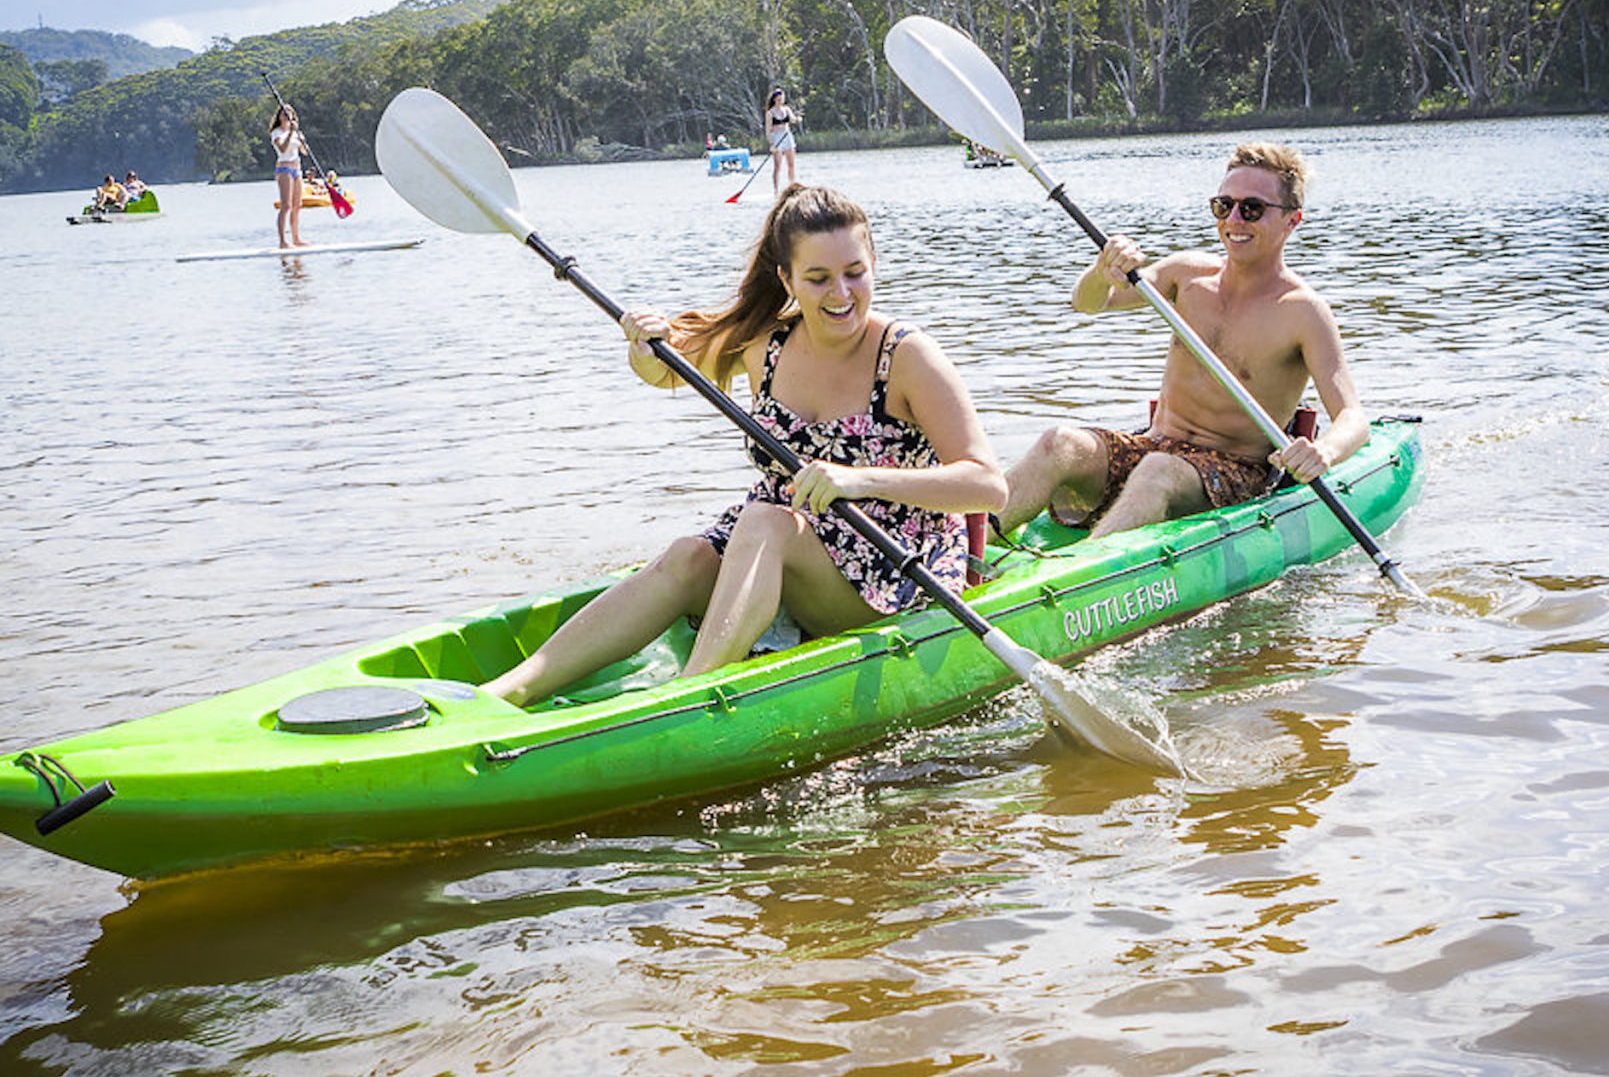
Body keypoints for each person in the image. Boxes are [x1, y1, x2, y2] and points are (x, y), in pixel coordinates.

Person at [483, 184, 1008, 706]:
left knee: (763, 522)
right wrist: (643, 347)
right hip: (784, 546)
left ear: (873, 263)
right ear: (787, 279)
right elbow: (666, 373)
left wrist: (858, 478)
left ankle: (688, 697)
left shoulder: (909, 356)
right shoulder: (765, 344)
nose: (841, 294)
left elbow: (987, 486)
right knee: (689, 556)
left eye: (854, 273)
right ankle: (514, 688)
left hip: (889, 572)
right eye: (818, 278)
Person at [997, 142, 1368, 539]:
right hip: (1156, 446)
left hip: (1236, 471)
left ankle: (1083, 577)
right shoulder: (1186, 274)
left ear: (1292, 220)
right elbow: (1089, 304)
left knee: (1158, 471)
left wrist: (1322, 452)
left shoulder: (1303, 311)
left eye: (1252, 208)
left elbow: (1353, 417)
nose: (1235, 220)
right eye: (1224, 206)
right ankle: (963, 548)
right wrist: (1102, 270)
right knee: (1061, 442)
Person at [271, 106, 311, 248]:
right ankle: (282, 241)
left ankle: (296, 239)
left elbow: (304, 152)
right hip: (284, 169)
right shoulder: (276, 133)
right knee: (286, 206)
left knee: (297, 205)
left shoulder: (296, 133)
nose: (287, 116)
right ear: (280, 116)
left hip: (297, 169)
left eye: (289, 114)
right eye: (284, 113)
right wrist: (291, 133)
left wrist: (302, 140)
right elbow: (282, 149)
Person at [764, 87, 799, 193]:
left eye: (782, 99)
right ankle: (776, 190)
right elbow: (768, 131)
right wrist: (772, 144)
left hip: (787, 136)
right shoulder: (770, 113)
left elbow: (792, 119)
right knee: (777, 166)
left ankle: (792, 187)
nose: (780, 101)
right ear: (774, 99)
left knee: (791, 164)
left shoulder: (787, 109)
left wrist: (797, 119)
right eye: (778, 99)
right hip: (776, 138)